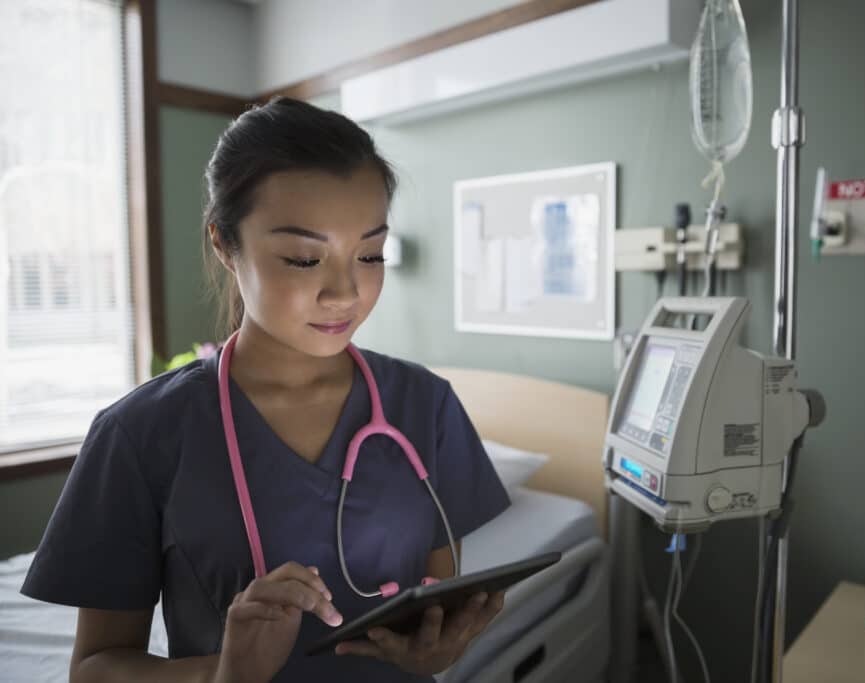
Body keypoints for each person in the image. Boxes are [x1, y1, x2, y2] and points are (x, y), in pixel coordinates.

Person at [21, 96, 511, 682]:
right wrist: (223, 673)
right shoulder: (140, 432)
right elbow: (95, 669)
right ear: (225, 245)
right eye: (304, 260)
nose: (344, 292)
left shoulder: (425, 405)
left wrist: (441, 648)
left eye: (370, 253)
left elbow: (439, 595)